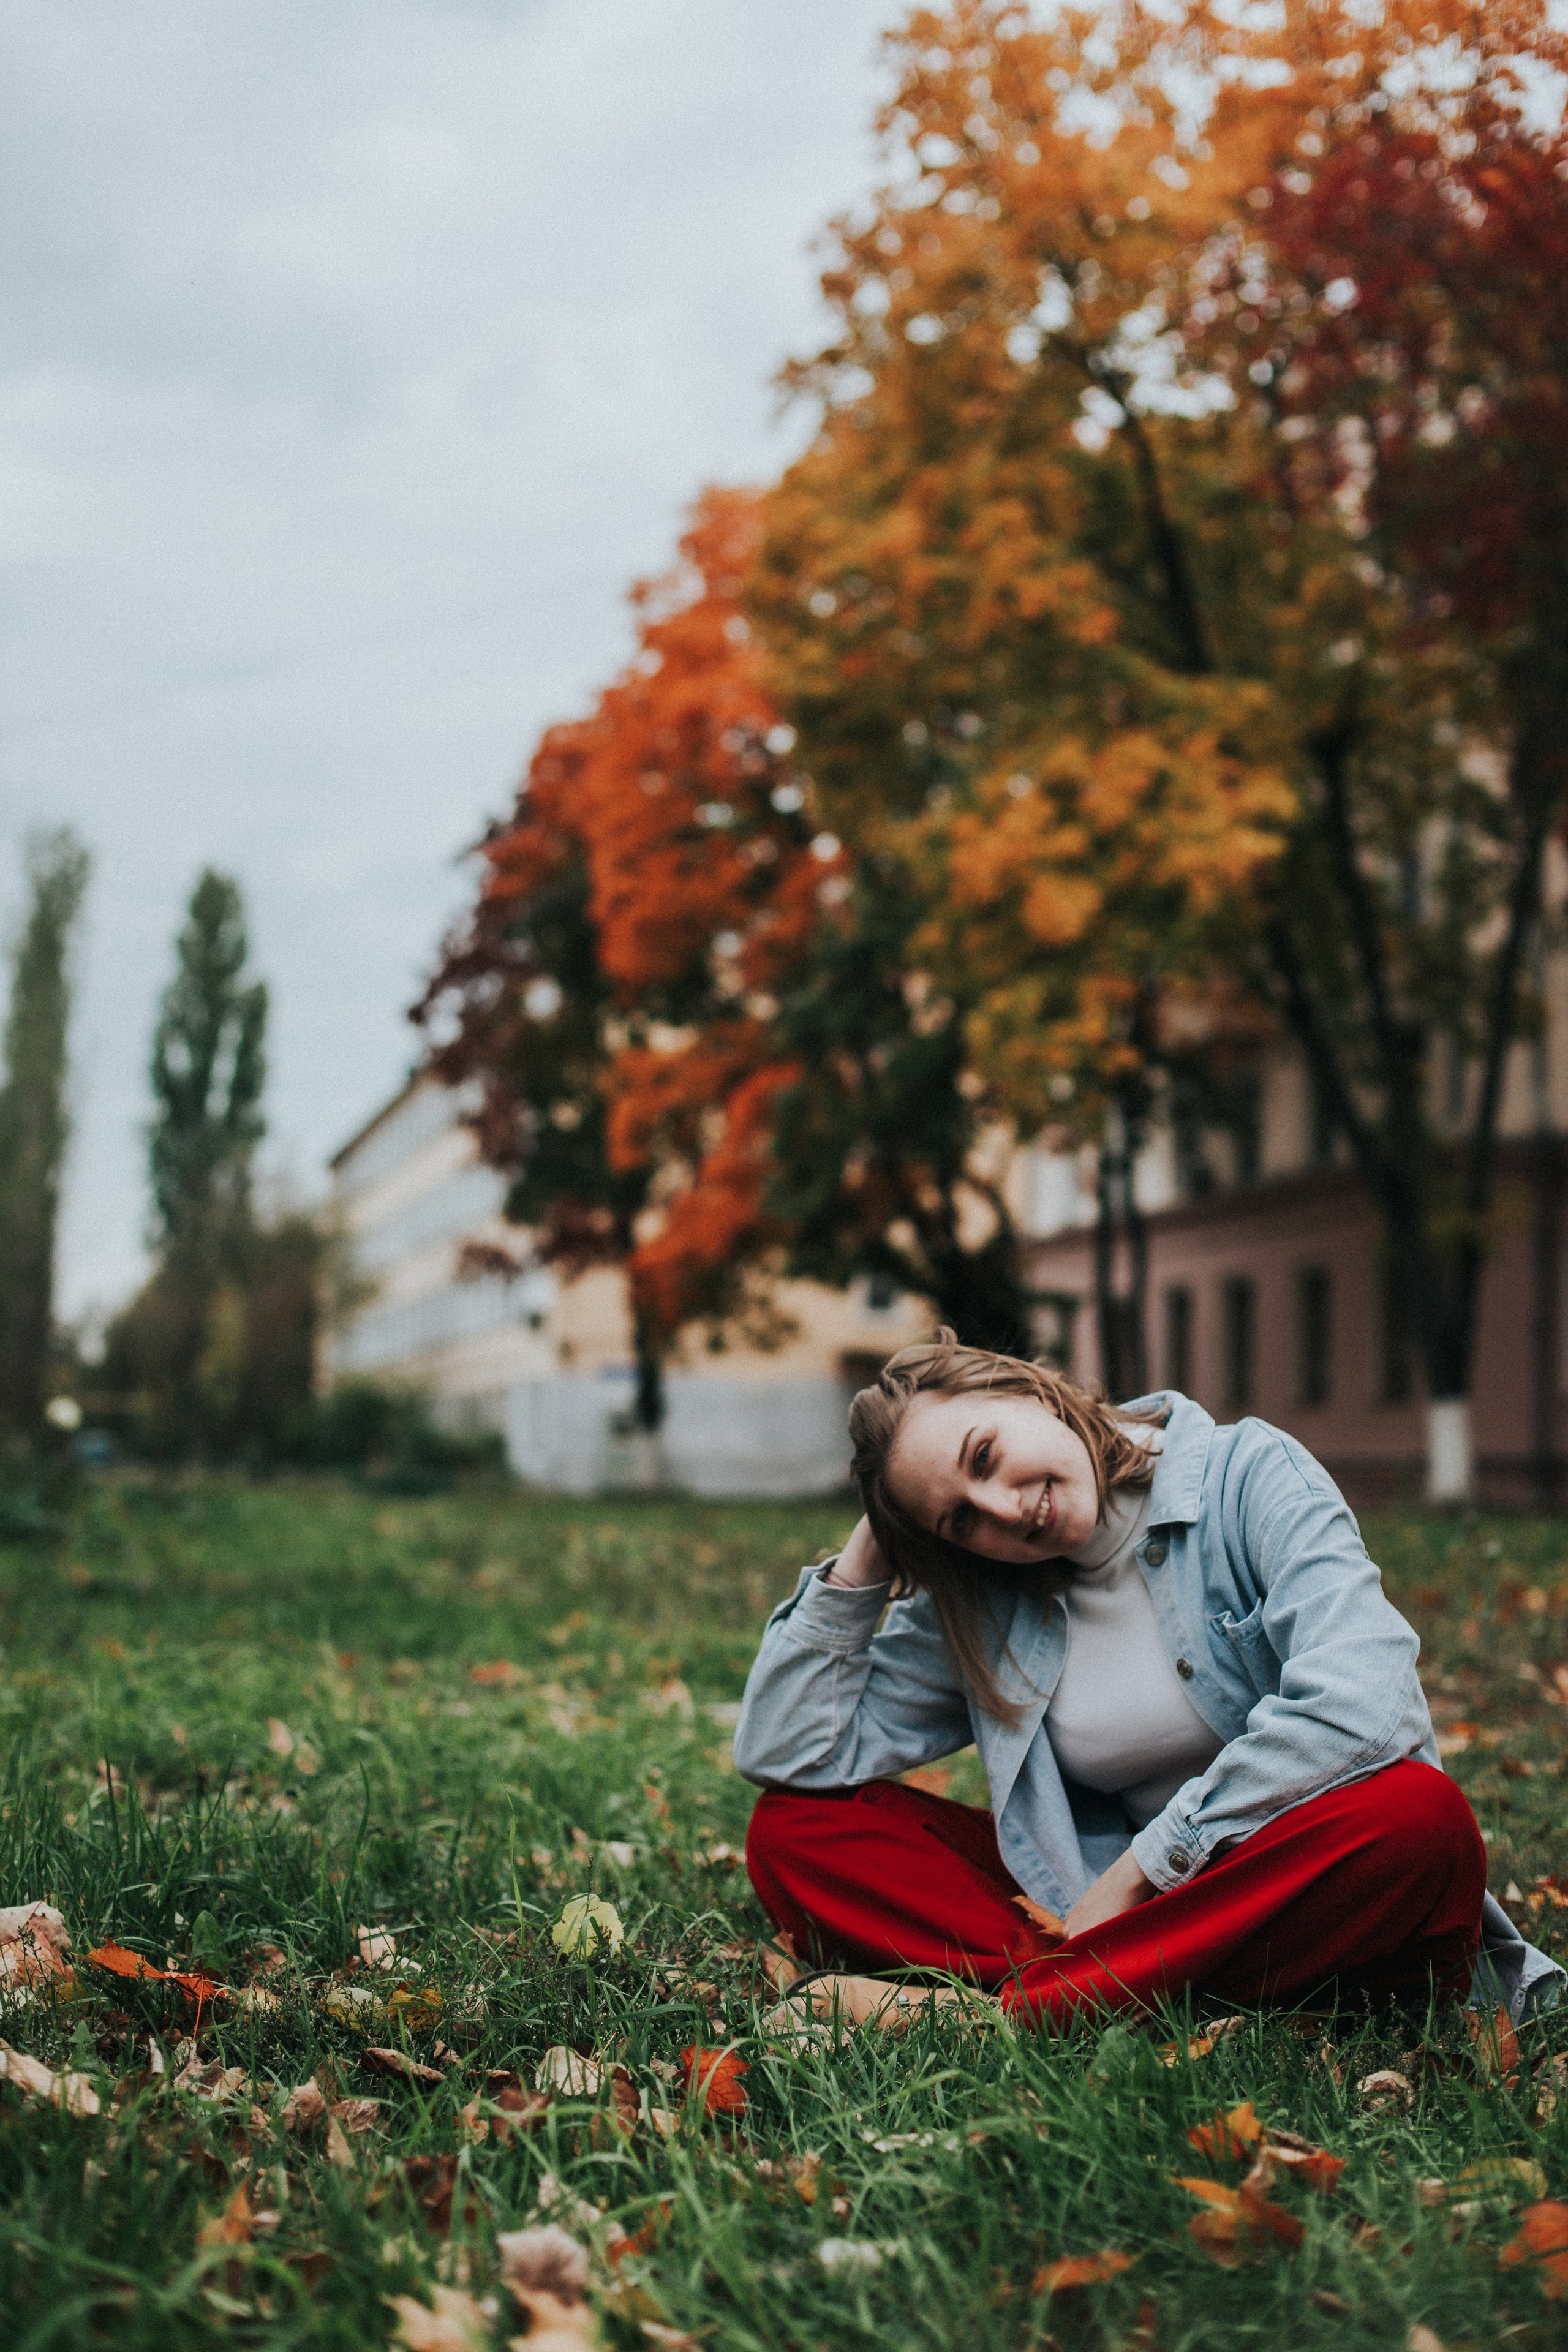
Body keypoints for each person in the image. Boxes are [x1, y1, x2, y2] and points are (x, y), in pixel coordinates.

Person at [734, 1332, 1561, 2030]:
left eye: (984, 1455)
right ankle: (1130, 1992)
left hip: (1302, 1891)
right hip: (1109, 1921)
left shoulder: (1251, 1475)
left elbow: (1366, 1707)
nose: (1000, 1508)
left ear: (1028, 1391)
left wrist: (1145, 1868)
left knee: (1422, 1820)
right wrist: (874, 1546)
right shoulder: (985, 1594)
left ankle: (991, 2015)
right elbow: (792, 1752)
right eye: (960, 1517)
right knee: (791, 1831)